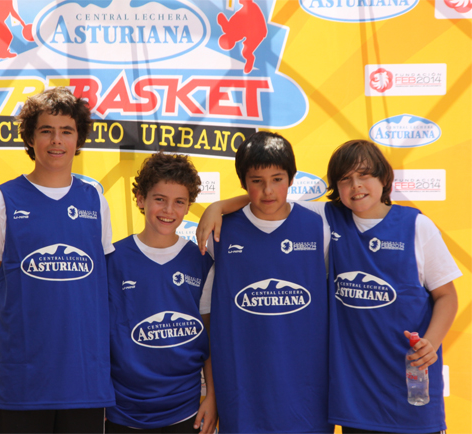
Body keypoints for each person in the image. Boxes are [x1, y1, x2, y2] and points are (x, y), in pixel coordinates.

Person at [197, 139, 460, 434]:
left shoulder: (417, 226)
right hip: (355, 403)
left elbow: (447, 295)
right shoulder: (328, 218)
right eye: (345, 179)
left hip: (411, 390)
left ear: (384, 177)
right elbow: (271, 201)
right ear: (336, 187)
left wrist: (432, 342)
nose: (356, 186)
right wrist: (218, 206)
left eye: (364, 175)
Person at [0, 87, 115, 433]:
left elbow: (100, 286)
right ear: (30, 137)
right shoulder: (0, 202)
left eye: (67, 131)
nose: (57, 140)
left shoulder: (95, 200)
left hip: (83, 378)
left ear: (78, 138)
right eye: (46, 130)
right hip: (22, 380)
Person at [200, 131, 332, 433]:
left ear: (292, 178)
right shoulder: (220, 232)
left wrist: (218, 204)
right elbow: (206, 315)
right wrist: (216, 207)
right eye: (257, 181)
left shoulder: (319, 226)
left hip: (306, 390)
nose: (268, 190)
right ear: (243, 183)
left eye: (277, 179)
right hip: (243, 389)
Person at [105, 152, 217, 434]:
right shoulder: (113, 259)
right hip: (122, 410)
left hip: (185, 409)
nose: (169, 210)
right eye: (159, 199)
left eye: (179, 202)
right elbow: (97, 337)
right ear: (140, 199)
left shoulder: (201, 261)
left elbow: (209, 335)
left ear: (188, 206)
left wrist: (212, 396)